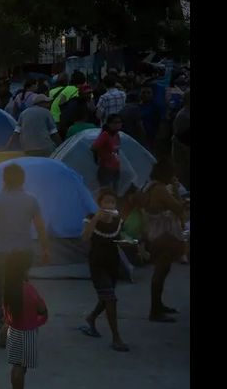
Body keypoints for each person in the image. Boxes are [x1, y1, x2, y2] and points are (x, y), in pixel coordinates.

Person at [0, 163, 50, 348]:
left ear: (4, 179)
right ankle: (16, 324)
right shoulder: (31, 200)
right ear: (22, 179)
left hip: (0, 252)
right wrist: (45, 249)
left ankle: (2, 323)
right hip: (22, 252)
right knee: (19, 288)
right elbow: (40, 227)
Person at [79, 189, 130, 352]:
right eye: (106, 201)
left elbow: (122, 239)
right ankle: (116, 338)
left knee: (106, 298)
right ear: (100, 203)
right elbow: (85, 237)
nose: (109, 204)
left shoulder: (117, 221)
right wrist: (96, 218)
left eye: (112, 202)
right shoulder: (90, 218)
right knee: (110, 298)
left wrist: (138, 246)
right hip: (98, 264)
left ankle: (91, 318)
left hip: (112, 264)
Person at [140, 161, 187, 322]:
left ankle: (158, 306)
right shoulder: (160, 189)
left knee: (162, 270)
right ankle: (155, 310)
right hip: (163, 234)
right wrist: (177, 191)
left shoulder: (150, 186)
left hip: (154, 232)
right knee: (161, 270)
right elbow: (178, 207)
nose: (174, 177)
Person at [3, 251, 48, 389]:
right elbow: (41, 308)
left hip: (14, 330)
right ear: (23, 270)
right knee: (22, 368)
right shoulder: (28, 289)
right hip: (27, 332)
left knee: (16, 366)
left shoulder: (8, 287)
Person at [91, 114, 123, 191]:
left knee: (115, 193)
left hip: (115, 168)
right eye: (115, 122)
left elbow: (116, 151)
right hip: (106, 169)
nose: (118, 125)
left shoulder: (117, 135)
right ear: (109, 124)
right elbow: (94, 147)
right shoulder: (105, 135)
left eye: (119, 122)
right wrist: (98, 159)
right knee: (106, 193)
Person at [171, 91, 190, 191]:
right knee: (184, 179)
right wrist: (186, 149)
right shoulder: (183, 116)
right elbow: (176, 138)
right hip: (183, 154)